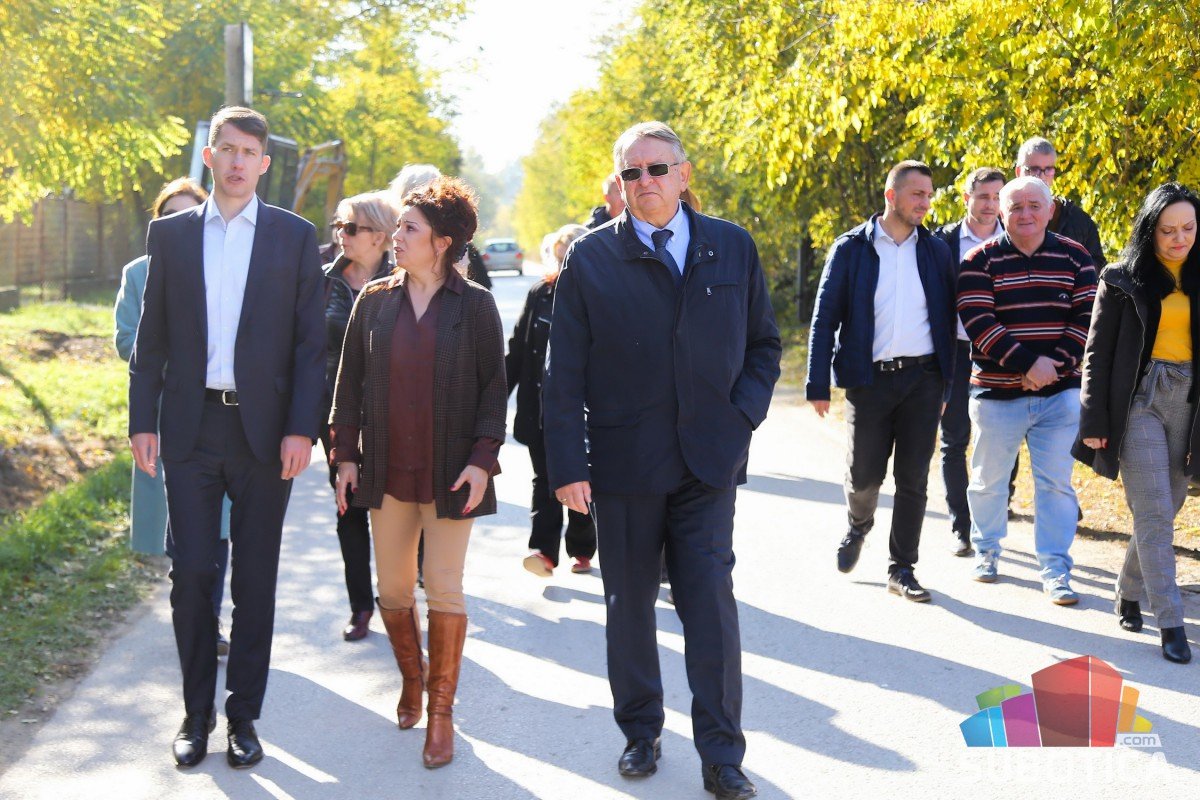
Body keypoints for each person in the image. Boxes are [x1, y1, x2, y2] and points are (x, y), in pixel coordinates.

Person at [544, 121, 780, 800]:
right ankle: (641, 732)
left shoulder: (731, 246)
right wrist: (568, 465)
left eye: (656, 168)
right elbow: (564, 372)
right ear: (619, 183)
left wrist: (740, 418)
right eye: (631, 172)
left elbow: (764, 346)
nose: (644, 181)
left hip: (709, 461)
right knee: (629, 605)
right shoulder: (591, 258)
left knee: (710, 606)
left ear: (683, 173)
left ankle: (722, 755)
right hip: (625, 464)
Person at [128, 106, 326, 769]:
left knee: (256, 580)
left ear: (264, 164)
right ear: (209, 156)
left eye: (250, 152)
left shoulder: (294, 237)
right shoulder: (171, 235)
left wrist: (301, 429)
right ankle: (195, 716)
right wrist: (141, 420)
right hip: (191, 428)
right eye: (228, 149)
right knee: (192, 574)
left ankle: (244, 718)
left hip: (265, 434)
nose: (238, 162)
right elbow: (151, 337)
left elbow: (311, 347)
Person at [329, 176, 506, 769]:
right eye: (398, 227)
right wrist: (345, 457)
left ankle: (442, 714)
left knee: (444, 586)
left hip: (452, 474)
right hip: (386, 470)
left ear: (442, 243)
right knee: (394, 590)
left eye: (409, 229)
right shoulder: (374, 300)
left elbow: (493, 391)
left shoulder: (475, 305)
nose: (396, 237)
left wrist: (482, 461)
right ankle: (412, 677)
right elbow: (349, 385)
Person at [806, 161, 957, 603]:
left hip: (924, 380)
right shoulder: (851, 248)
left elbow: (948, 320)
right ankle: (858, 524)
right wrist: (817, 383)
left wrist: (947, 385)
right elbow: (824, 318)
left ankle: (902, 567)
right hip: (868, 380)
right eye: (917, 194)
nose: (925, 203)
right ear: (891, 196)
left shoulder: (936, 251)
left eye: (929, 195)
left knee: (913, 479)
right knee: (864, 476)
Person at [1074, 183, 1200, 664]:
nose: (1179, 239)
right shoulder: (1120, 278)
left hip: (1190, 404)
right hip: (1139, 401)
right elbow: (1096, 354)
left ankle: (1128, 590)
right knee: (1153, 513)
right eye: (1168, 230)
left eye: (1188, 228)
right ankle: (1170, 622)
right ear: (1150, 231)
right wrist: (1093, 418)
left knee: (1165, 509)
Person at [957, 176, 1096, 604]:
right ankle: (986, 550)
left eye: (1035, 205)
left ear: (1050, 210)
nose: (1026, 214)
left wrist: (1052, 367)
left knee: (1056, 485)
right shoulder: (979, 260)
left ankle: (1055, 569)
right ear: (1001, 212)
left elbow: (1088, 318)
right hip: (996, 396)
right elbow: (979, 322)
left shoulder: (1076, 257)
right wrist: (1028, 364)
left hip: (1060, 395)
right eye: (1015, 206)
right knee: (988, 482)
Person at [114, 177, 232, 657]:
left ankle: (208, 623)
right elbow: (127, 341)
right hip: (164, 416)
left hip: (219, 416)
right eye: (169, 216)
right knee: (181, 529)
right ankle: (193, 613)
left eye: (189, 215)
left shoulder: (224, 267)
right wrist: (179, 360)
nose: (179, 224)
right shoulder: (138, 273)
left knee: (218, 526)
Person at [319, 192, 398, 642]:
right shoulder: (323, 282)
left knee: (397, 509)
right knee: (348, 508)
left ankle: (399, 599)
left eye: (351, 228)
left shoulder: (405, 281)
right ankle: (361, 606)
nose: (340, 235)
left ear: (380, 236)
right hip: (336, 414)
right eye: (339, 226)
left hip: (393, 414)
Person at [507, 223, 596, 577]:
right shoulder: (540, 293)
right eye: (560, 258)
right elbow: (517, 349)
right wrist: (493, 397)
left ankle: (582, 548)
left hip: (581, 413)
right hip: (539, 410)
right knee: (544, 480)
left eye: (570, 257)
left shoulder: (599, 296)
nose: (563, 265)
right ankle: (543, 551)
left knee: (580, 479)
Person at [933, 167, 1006, 558]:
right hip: (956, 352)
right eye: (983, 196)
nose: (990, 204)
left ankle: (993, 516)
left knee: (1001, 438)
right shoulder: (942, 242)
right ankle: (961, 525)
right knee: (954, 439)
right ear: (967, 198)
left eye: (997, 197)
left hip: (1000, 353)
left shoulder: (1014, 239)